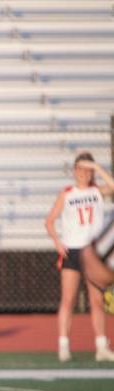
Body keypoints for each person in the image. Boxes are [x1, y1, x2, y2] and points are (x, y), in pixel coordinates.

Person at [45, 152, 114, 362]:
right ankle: (64, 344)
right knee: (68, 299)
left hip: (91, 253)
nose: (83, 174)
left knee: (96, 300)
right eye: (80, 169)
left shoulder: (97, 191)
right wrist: (58, 242)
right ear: (74, 171)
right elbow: (50, 221)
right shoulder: (66, 194)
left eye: (87, 170)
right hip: (73, 251)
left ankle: (101, 346)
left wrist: (98, 167)